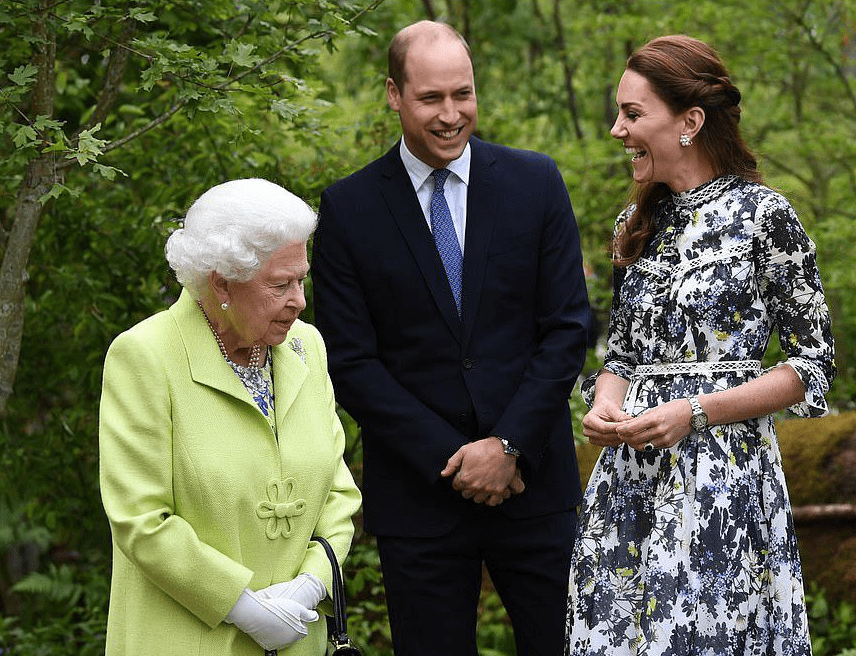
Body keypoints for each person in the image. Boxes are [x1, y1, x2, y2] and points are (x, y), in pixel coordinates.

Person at [310, 20, 591, 656]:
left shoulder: (535, 182)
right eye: (431, 98)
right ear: (393, 94)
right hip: (420, 498)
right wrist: (459, 460)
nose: (450, 114)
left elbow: (568, 327)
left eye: (462, 95)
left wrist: (509, 445)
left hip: (535, 486)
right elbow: (351, 362)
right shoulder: (348, 209)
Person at [566, 35, 835, 656]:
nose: (616, 130)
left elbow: (813, 367)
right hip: (630, 483)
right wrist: (605, 404)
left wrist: (696, 411)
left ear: (689, 122)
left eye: (633, 115)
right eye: (618, 112)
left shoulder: (764, 216)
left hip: (723, 480)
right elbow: (623, 357)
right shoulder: (634, 226)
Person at [99, 178, 362, 656]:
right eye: (280, 284)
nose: (299, 300)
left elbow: (339, 493)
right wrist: (243, 607)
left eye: (301, 279)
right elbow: (142, 519)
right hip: (187, 641)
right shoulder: (145, 356)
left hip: (300, 637)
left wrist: (311, 585)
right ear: (221, 283)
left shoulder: (307, 346)